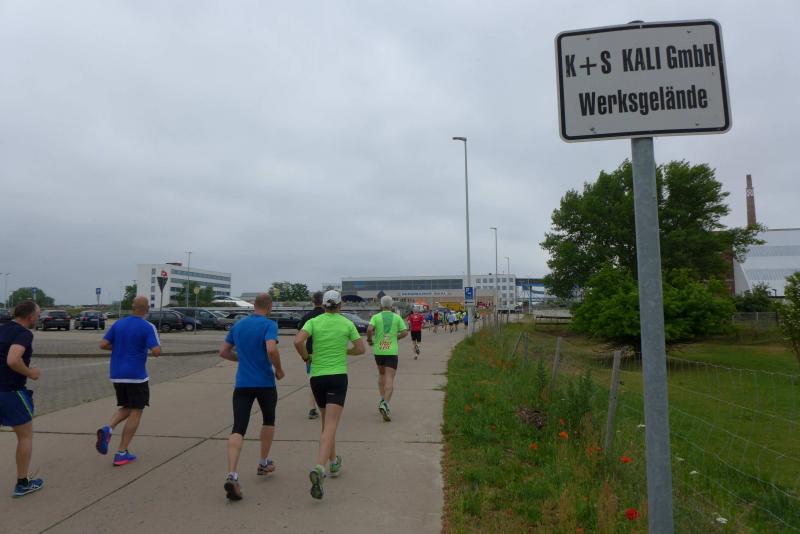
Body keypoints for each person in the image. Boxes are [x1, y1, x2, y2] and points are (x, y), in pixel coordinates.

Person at [294, 290, 365, 500]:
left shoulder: (314, 322)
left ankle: (334, 462)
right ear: (340, 305)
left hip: (317, 377)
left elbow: (298, 341)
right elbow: (361, 349)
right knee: (331, 425)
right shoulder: (346, 323)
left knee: (326, 424)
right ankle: (320, 467)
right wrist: (345, 351)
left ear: (324, 305)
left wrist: (306, 357)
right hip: (337, 376)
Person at [218, 293, 284, 501]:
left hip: (243, 384)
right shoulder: (269, 325)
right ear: (269, 307)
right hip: (265, 383)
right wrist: (278, 369)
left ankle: (232, 474)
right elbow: (271, 349)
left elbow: (223, 352)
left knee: (238, 427)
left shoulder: (238, 325)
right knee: (268, 420)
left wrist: (242, 359)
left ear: (254, 305)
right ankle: (263, 463)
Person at [95, 296, 161, 467]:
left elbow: (103, 344)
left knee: (127, 406)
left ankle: (108, 428)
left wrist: (119, 347)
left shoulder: (118, 324)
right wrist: (141, 347)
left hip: (117, 375)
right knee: (136, 411)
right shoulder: (148, 326)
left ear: (132, 307)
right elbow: (156, 351)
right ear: (147, 309)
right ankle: (121, 453)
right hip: (136, 376)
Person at [0, 300, 44, 498]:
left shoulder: (2, 329)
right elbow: (12, 359)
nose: (39, 318)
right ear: (30, 316)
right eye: (38, 315)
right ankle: (22, 483)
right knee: (25, 436)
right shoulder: (24, 334)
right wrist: (30, 372)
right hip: (11, 392)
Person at [366, 297, 408, 422]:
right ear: (391, 305)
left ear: (381, 305)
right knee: (390, 377)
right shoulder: (397, 317)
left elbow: (369, 329)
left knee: (381, 374)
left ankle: (382, 399)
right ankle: (385, 403)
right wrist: (396, 338)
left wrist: (369, 340)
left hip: (378, 351)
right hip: (391, 351)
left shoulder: (376, 317)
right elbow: (405, 332)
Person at [297, 291, 325, 420]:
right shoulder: (328, 316)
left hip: (310, 352)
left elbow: (299, 336)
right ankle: (327, 406)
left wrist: (305, 356)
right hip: (326, 352)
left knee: (312, 380)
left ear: (313, 301)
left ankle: (312, 409)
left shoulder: (307, 317)